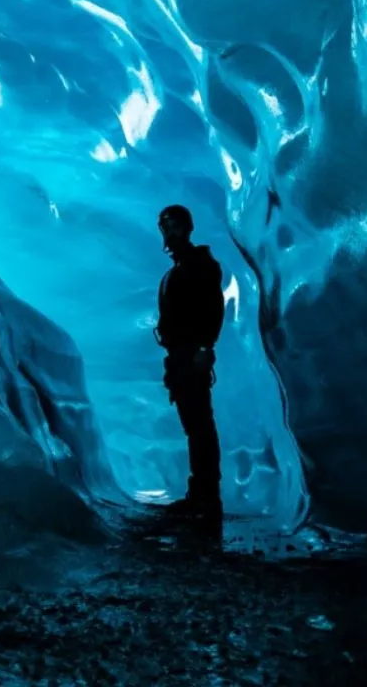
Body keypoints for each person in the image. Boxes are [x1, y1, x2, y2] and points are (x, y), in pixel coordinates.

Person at [154, 204, 225, 523]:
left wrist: (203, 347)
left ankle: (206, 497)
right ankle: (200, 494)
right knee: (194, 425)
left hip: (190, 354)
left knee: (200, 426)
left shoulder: (200, 265)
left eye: (173, 226)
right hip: (179, 356)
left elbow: (213, 308)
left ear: (186, 228)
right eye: (165, 227)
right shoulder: (180, 269)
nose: (169, 233)